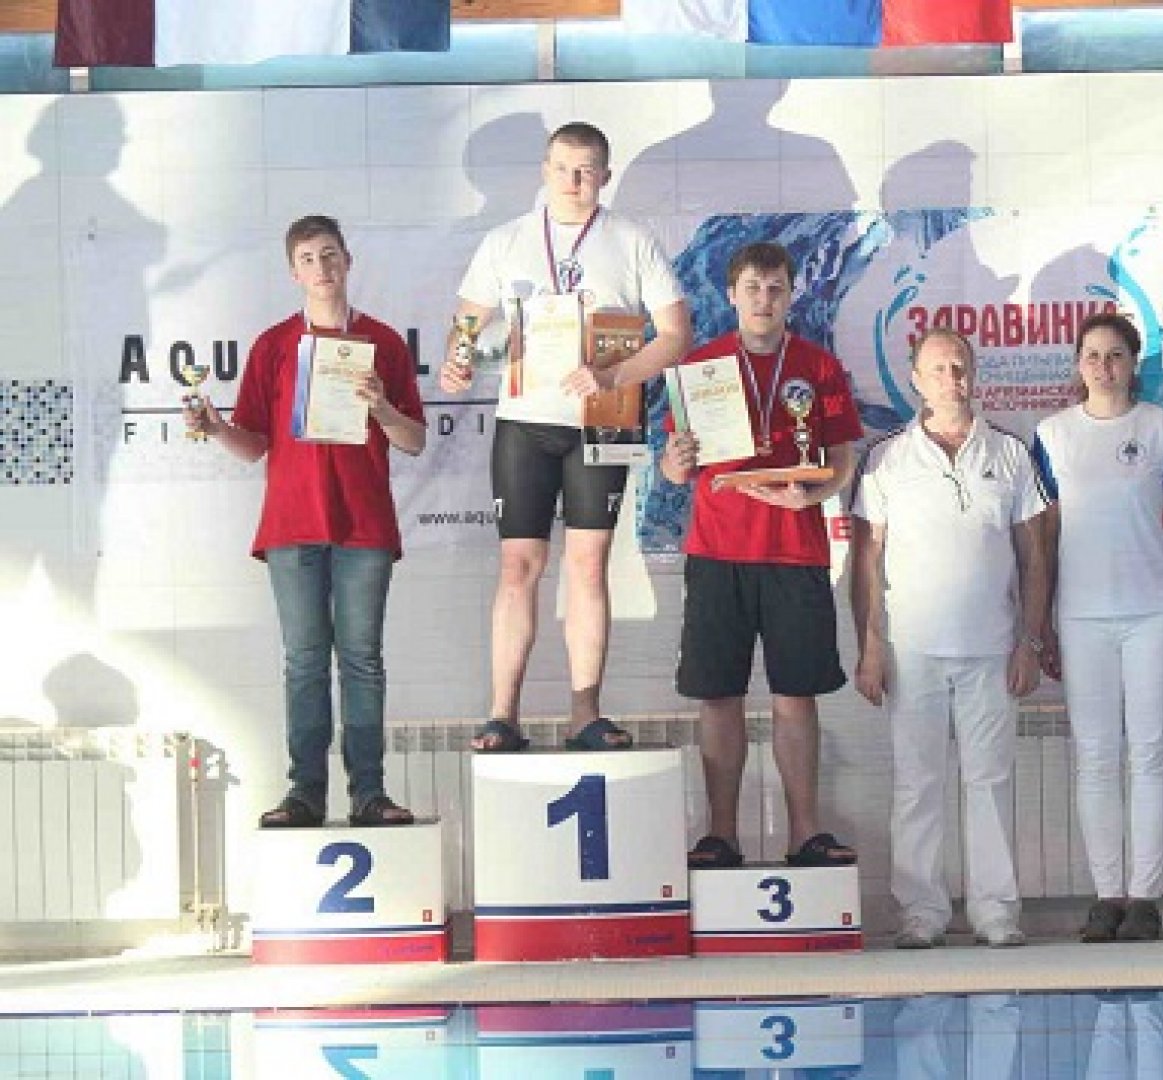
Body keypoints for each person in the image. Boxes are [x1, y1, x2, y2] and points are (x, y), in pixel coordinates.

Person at [440, 121, 692, 754]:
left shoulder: (633, 240)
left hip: (603, 416)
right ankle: (502, 715)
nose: (574, 181)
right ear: (544, 171)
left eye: (586, 170)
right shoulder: (506, 241)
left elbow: (675, 336)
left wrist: (614, 373)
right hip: (525, 420)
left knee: (588, 564)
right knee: (518, 565)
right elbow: (466, 325)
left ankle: (586, 713)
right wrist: (457, 360)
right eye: (562, 168)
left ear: (605, 175)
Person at [184, 215, 426, 827]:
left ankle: (369, 793)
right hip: (291, 526)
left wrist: (382, 408)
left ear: (348, 260)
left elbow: (414, 440)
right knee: (304, 662)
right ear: (293, 272)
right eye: (309, 259)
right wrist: (215, 427)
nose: (322, 267)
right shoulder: (273, 345)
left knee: (362, 660)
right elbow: (253, 444)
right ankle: (305, 794)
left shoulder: (384, 342)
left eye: (330, 254)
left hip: (363, 525)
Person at [660, 241, 861, 870]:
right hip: (717, 551)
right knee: (718, 695)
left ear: (791, 294)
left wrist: (813, 497)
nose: (764, 300)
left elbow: (841, 461)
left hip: (796, 553)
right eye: (753, 288)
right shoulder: (701, 368)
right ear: (731, 295)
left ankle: (805, 833)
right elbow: (674, 467)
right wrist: (675, 462)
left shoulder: (819, 367)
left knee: (796, 695)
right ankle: (721, 834)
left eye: (776, 288)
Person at [850, 328, 1049, 949]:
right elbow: (866, 561)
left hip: (993, 647)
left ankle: (995, 912)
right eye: (938, 369)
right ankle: (921, 913)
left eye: (959, 367)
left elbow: (1035, 557)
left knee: (989, 781)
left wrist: (1030, 642)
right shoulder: (886, 458)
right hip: (911, 650)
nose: (951, 380)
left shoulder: (1009, 452)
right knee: (918, 785)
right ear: (915, 379)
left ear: (974, 373)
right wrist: (870, 647)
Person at [1032, 311, 1163, 943]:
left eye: (1115, 355)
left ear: (1134, 364)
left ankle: (1145, 899)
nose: (1103, 367)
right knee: (1097, 756)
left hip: (1153, 611)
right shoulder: (1051, 435)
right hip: (1081, 615)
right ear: (1077, 365)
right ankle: (1107, 896)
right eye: (1092, 355)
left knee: (1151, 751)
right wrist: (1042, 625)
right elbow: (1045, 537)